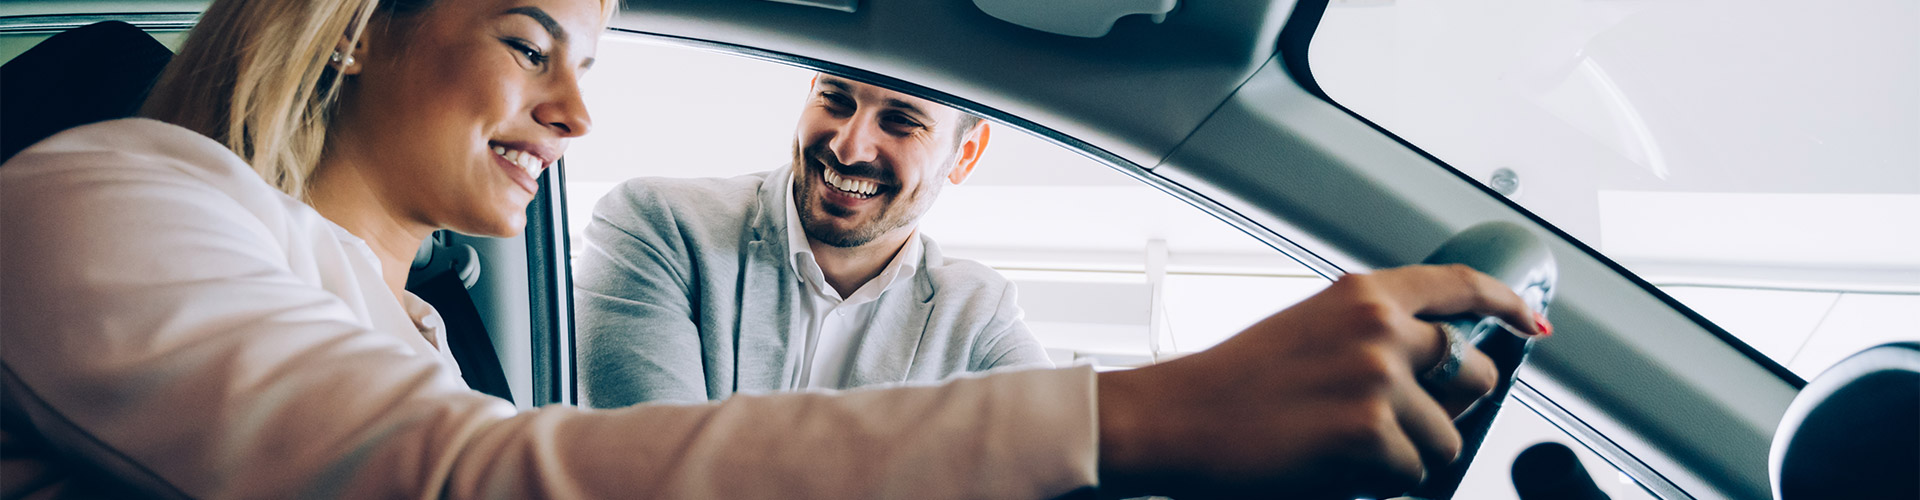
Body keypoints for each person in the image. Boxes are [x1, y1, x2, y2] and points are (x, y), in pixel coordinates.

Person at [0, 0, 1548, 498]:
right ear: (351, 30)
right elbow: (464, 480)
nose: (576, 111)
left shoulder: (414, 323)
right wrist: (1138, 413)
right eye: (533, 39)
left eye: (594, 57)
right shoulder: (106, 185)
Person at [575, 74, 1050, 407]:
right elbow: (655, 472)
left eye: (902, 121)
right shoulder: (659, 226)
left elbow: (1074, 457)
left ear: (964, 155)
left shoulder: (977, 316)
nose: (848, 146)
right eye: (835, 100)